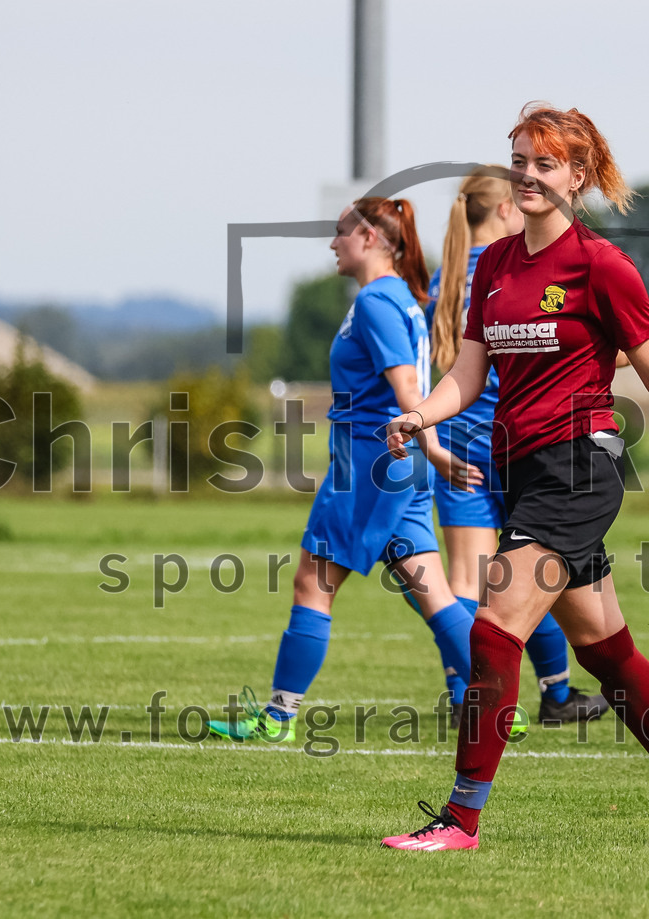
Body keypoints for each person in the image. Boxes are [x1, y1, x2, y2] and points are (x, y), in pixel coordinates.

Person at [381, 103, 649, 851]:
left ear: (578, 175)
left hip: (580, 468)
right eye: (519, 160)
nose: (527, 174)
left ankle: (460, 819)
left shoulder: (601, 266)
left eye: (544, 163)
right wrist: (423, 414)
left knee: (494, 627)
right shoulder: (497, 266)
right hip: (521, 472)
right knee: (604, 650)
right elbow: (469, 371)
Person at [207, 197, 475, 742]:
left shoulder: (379, 302)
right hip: (399, 467)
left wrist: (436, 451)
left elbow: (407, 391)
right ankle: (499, 699)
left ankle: (277, 718)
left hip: (373, 464)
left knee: (313, 583)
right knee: (433, 592)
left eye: (340, 233)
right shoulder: (399, 298)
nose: (333, 243)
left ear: (372, 239)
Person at [417, 166, 608, 727]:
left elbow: (445, 372)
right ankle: (555, 692)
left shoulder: (442, 280)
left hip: (457, 441)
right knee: (532, 579)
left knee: (468, 580)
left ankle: (464, 695)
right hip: (522, 442)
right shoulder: (507, 269)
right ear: (505, 209)